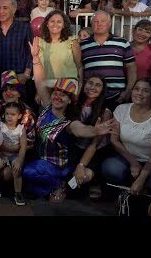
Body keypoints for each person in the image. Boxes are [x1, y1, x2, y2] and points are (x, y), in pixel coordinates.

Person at [24, 37, 115, 202]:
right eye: (56, 92)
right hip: (42, 162)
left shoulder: (68, 121)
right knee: (31, 186)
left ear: (69, 100)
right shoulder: (45, 108)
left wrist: (94, 130)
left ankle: (60, 184)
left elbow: (80, 129)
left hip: (60, 167)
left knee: (29, 171)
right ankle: (58, 188)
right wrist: (36, 59)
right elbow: (39, 81)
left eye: (64, 95)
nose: (58, 96)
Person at [102, 78, 151, 195]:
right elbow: (114, 140)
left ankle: (141, 184)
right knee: (110, 169)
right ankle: (129, 189)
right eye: (136, 89)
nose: (139, 93)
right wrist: (133, 162)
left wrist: (142, 178)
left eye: (145, 90)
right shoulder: (122, 109)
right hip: (128, 157)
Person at [80, 10, 137, 111]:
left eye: (103, 21)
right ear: (91, 24)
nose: (99, 24)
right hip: (91, 97)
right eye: (96, 21)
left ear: (109, 23)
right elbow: (79, 69)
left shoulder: (122, 42)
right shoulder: (82, 45)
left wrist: (128, 91)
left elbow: (131, 68)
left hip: (117, 97)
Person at [71, 75, 113, 199]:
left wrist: (81, 165)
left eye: (98, 85)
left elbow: (94, 145)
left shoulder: (105, 112)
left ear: (102, 90)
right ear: (84, 85)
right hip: (77, 148)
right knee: (69, 177)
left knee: (82, 176)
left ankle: (94, 181)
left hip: (95, 152)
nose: (93, 87)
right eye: (90, 83)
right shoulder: (75, 103)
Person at [0, 0, 33, 94]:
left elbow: (31, 52)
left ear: (13, 10)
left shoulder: (25, 28)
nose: (1, 11)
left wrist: (26, 74)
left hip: (19, 78)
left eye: (5, 8)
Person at [0, 102, 27, 205]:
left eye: (13, 114)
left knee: (17, 170)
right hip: (2, 154)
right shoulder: (1, 126)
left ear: (19, 116)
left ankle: (18, 193)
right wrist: (1, 154)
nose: (9, 116)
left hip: (15, 155)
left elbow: (23, 147)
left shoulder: (21, 129)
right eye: (7, 114)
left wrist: (19, 162)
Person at [38, 10, 83, 89]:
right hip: (47, 86)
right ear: (47, 24)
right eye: (52, 21)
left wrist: (80, 86)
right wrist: (39, 90)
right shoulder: (40, 43)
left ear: (64, 25)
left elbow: (79, 66)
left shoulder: (72, 41)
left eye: (59, 22)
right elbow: (38, 70)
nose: (55, 24)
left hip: (68, 86)